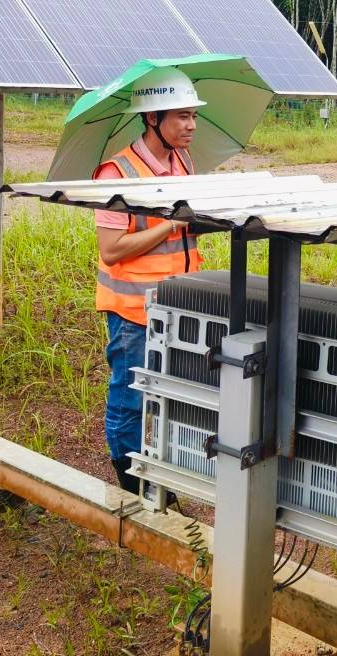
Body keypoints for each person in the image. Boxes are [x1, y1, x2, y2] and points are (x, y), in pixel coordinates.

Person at [93, 67, 205, 494]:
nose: (191, 126)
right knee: (132, 395)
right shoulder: (116, 174)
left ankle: (158, 469)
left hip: (178, 305)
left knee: (170, 393)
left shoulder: (183, 162)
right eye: (181, 117)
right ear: (153, 118)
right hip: (133, 309)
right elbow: (112, 249)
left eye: (194, 116)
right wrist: (169, 224)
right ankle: (129, 480)